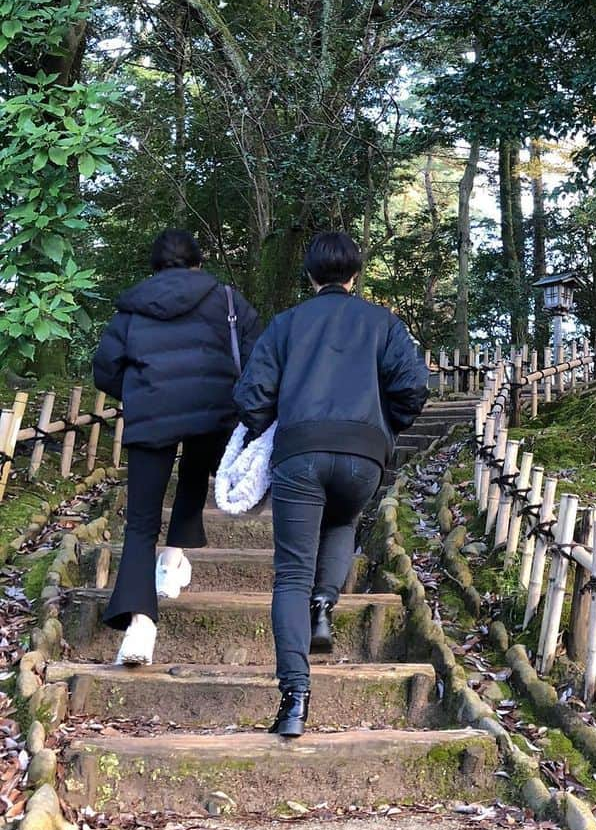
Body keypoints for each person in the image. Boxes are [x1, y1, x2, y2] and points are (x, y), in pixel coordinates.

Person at [234, 231, 430, 739]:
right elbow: (413, 387)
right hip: (364, 455)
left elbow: (252, 396)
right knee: (343, 519)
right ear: (354, 276)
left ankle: (295, 700)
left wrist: (271, 424)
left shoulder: (286, 325)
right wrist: (384, 427)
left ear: (311, 277)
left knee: (289, 576)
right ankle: (324, 604)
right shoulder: (384, 323)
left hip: (300, 452)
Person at [93, 230, 261, 665]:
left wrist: (140, 393)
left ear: (155, 266)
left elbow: (105, 369)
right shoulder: (225, 299)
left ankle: (140, 628)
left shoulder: (132, 307)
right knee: (195, 469)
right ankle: (172, 559)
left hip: (151, 413)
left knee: (141, 521)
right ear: (197, 262)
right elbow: (257, 353)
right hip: (212, 408)